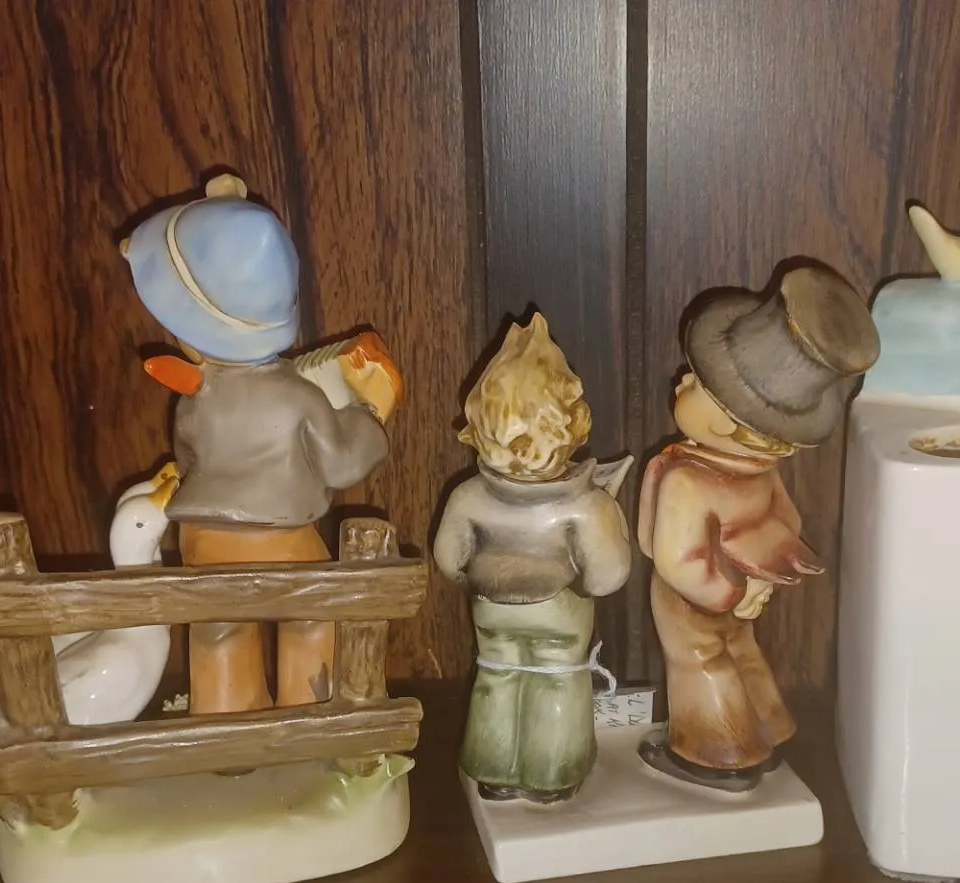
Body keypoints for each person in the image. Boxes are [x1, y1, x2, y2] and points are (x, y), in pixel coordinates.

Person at [123, 174, 396, 714]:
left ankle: (226, 720)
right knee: (311, 619)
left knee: (218, 630)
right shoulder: (298, 397)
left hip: (203, 541)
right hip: (283, 541)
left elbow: (188, 459)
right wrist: (368, 413)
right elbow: (341, 463)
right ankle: (307, 719)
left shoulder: (195, 399)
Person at [638, 265, 877, 792]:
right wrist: (754, 583)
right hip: (742, 588)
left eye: (696, 384)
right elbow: (786, 521)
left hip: (696, 597)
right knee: (742, 650)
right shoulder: (761, 471)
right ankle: (766, 727)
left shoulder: (687, 481)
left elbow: (679, 559)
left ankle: (719, 751)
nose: (681, 381)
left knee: (700, 660)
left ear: (728, 422)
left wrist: (729, 590)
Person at [433, 314, 631, 803]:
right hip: (558, 614)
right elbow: (607, 575)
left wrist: (473, 579)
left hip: (493, 611)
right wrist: (585, 583)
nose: (517, 457)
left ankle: (494, 766)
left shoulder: (469, 497)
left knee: (496, 676)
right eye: (505, 444)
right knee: (558, 682)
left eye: (522, 443)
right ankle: (551, 772)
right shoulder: (586, 506)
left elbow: (447, 557)